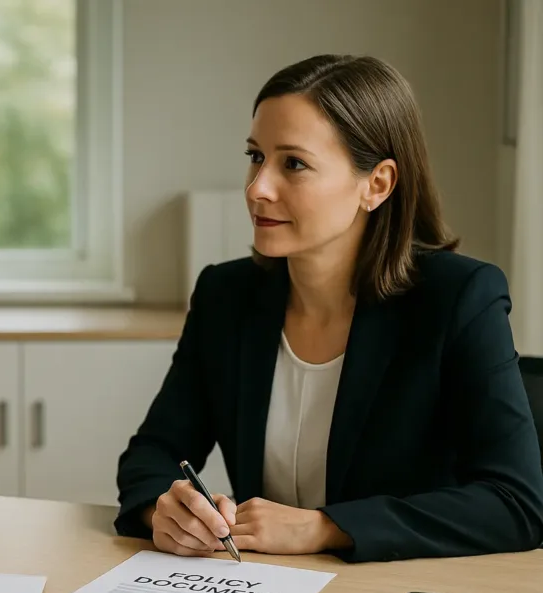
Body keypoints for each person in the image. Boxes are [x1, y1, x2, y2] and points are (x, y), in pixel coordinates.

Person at [115, 54, 543, 563]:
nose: (258, 188)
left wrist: (326, 529)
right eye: (256, 156)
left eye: (293, 163)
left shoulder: (459, 298)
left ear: (377, 184)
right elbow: (153, 453)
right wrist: (165, 510)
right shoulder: (225, 295)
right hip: (261, 591)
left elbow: (515, 503)